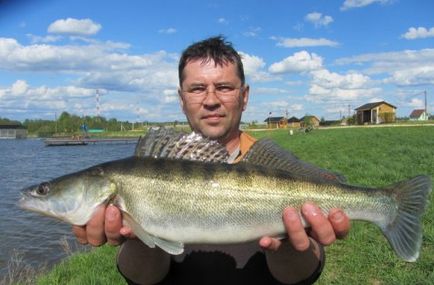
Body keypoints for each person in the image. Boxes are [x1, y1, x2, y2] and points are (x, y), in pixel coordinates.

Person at [73, 36, 350, 284]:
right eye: (197, 89)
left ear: (244, 96)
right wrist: (138, 234)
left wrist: (290, 243)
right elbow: (144, 279)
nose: (211, 100)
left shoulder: (267, 166)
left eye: (224, 87)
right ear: (182, 100)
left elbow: (299, 276)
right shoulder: (143, 171)